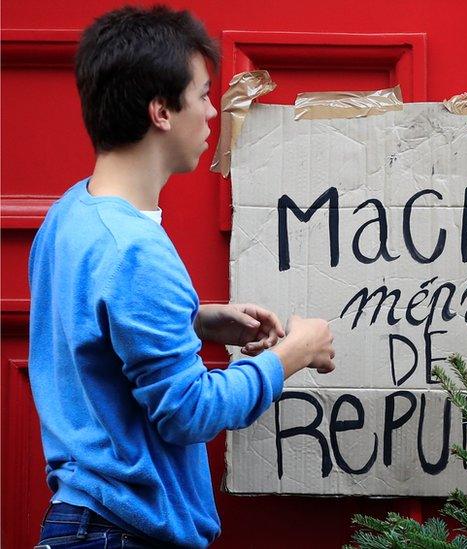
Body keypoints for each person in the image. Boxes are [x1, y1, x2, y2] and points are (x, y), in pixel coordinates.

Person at [28, 6, 336, 547]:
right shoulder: (135, 252)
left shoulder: (70, 214)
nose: (213, 111)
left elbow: (92, 334)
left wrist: (197, 322)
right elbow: (188, 413)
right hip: (121, 532)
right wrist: (293, 354)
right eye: (202, 94)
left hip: (84, 520)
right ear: (161, 112)